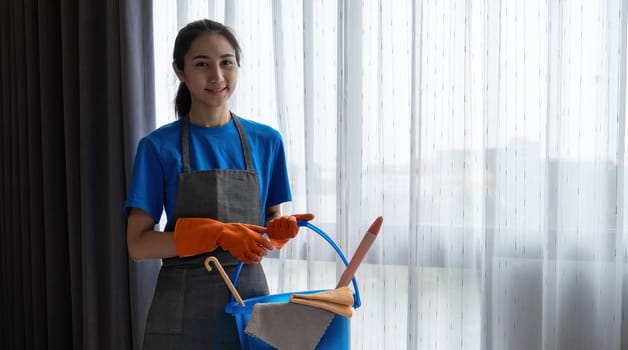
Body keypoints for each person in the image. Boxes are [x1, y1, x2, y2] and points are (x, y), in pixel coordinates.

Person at [124, 19, 313, 349]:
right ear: (180, 71)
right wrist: (215, 233)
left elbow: (267, 231)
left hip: (249, 307)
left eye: (226, 62)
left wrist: (278, 233)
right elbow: (138, 245)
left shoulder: (267, 142)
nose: (217, 76)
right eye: (202, 64)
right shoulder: (157, 148)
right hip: (182, 315)